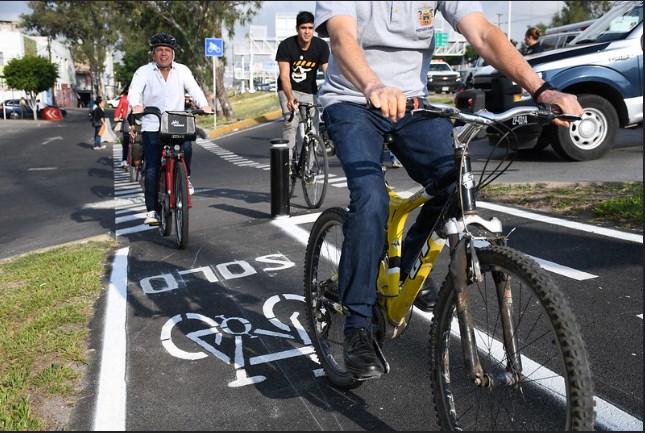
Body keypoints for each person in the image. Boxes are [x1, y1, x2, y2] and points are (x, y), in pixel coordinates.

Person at [314, 1, 584, 380]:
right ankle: (358, 324)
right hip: (351, 101)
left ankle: (407, 270)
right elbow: (342, 38)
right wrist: (373, 84)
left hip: (410, 103)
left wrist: (542, 91)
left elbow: (484, 34)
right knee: (371, 197)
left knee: (455, 185)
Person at [128, 32, 212, 226]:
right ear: (153, 54)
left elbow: (195, 89)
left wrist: (204, 105)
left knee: (188, 147)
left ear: (173, 54)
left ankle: (185, 178)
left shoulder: (182, 71)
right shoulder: (143, 72)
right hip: (152, 124)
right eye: (159, 50)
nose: (163, 54)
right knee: (152, 168)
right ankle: (152, 211)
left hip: (177, 123)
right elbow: (134, 92)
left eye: (167, 50)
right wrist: (136, 105)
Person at [275, 11, 330, 160]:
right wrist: (290, 98)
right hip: (288, 90)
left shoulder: (321, 46)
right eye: (303, 27)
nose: (307, 31)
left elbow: (328, 73)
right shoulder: (286, 46)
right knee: (291, 123)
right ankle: (287, 165)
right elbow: (284, 76)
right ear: (297, 29)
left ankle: (310, 170)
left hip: (309, 91)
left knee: (312, 129)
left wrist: (333, 92)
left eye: (310, 28)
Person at [114, 86, 131, 168]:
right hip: (126, 121)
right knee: (126, 141)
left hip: (137, 121)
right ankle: (124, 159)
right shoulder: (124, 98)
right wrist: (117, 116)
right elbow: (119, 108)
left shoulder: (139, 97)